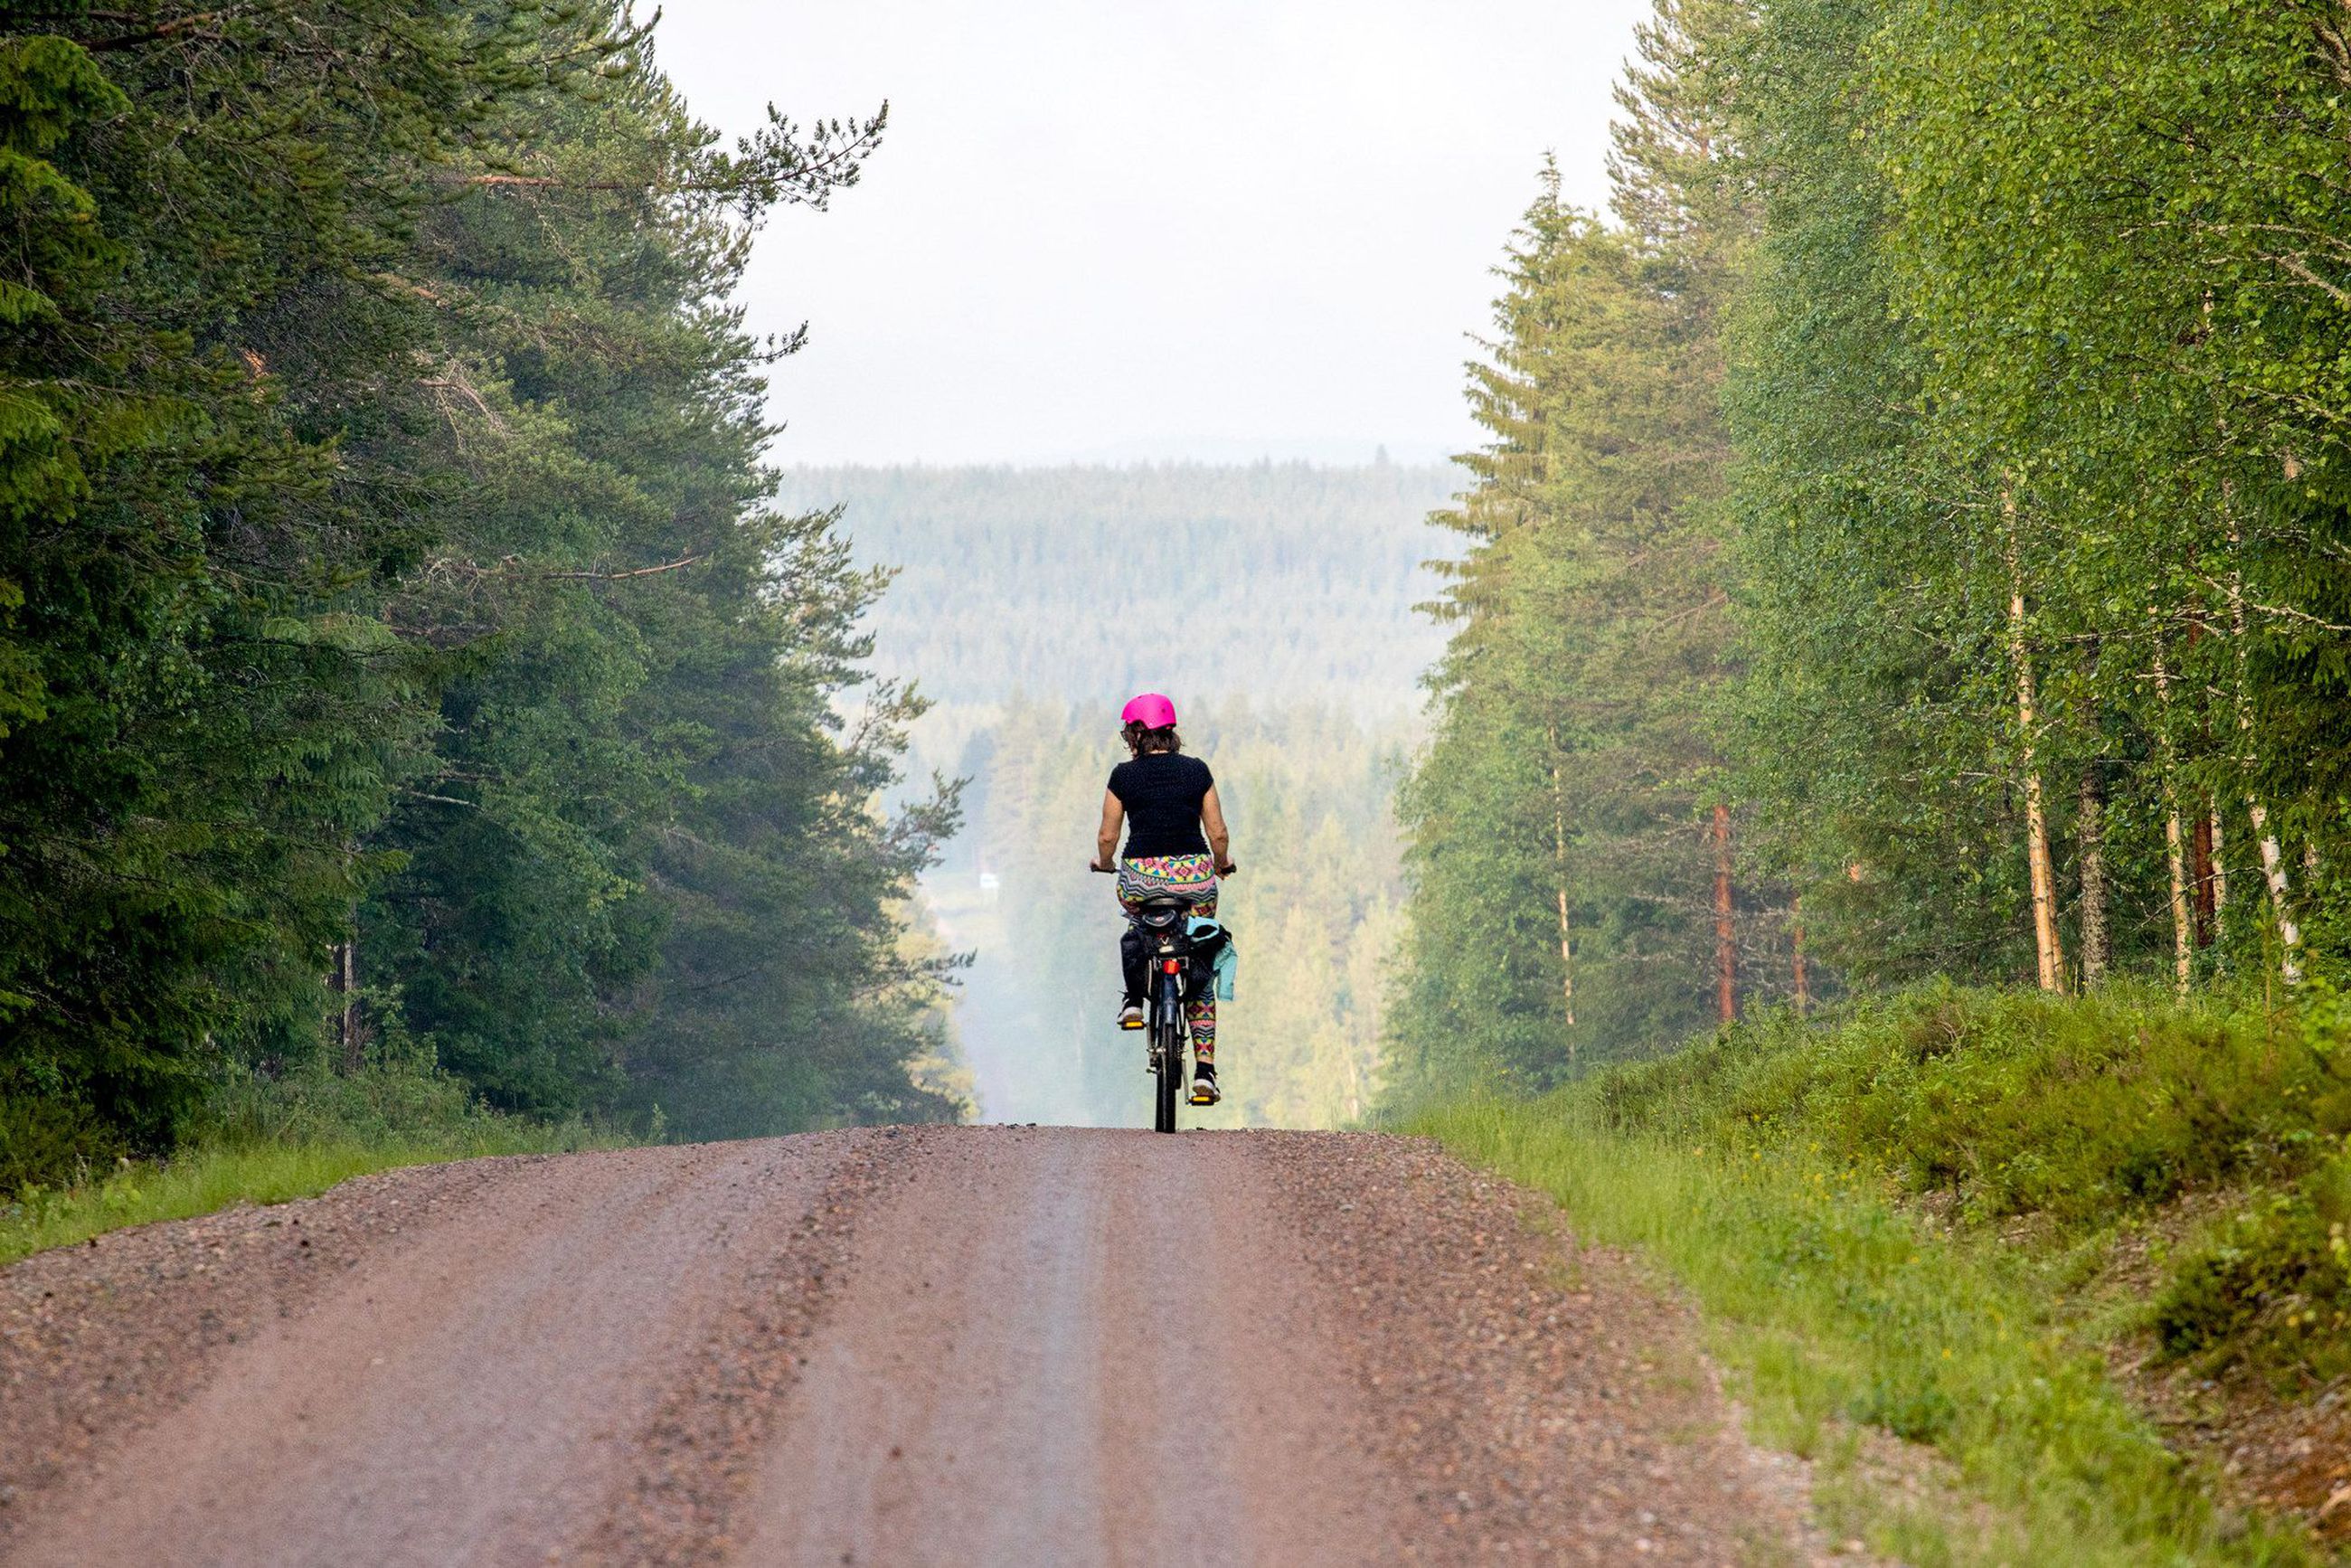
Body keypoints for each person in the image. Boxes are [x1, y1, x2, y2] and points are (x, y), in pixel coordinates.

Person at [1091, 693, 1234, 1106]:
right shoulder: (1197, 772)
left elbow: (1107, 836)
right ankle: (1205, 1073)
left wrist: (1104, 863)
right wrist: (1221, 864)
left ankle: (1134, 1002)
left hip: (1140, 881)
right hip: (1194, 883)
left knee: (1137, 924)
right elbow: (1218, 833)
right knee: (1202, 955)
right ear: (1171, 733)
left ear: (1136, 734)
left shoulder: (1123, 776)